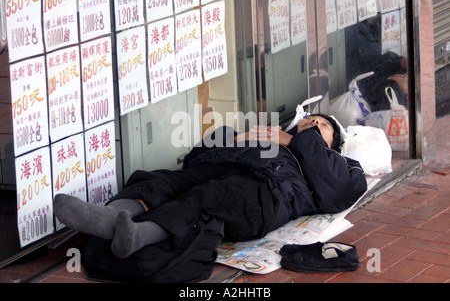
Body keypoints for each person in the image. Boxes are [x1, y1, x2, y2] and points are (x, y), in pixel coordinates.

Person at [54, 114, 367, 261]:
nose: (314, 125)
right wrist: (230, 140)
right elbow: (193, 160)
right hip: (221, 167)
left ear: (332, 144)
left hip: (265, 191)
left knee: (207, 198)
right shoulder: (263, 135)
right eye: (311, 120)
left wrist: (296, 140)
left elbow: (339, 192)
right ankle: (107, 216)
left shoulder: (340, 164)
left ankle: (137, 235)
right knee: (163, 181)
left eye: (323, 127)